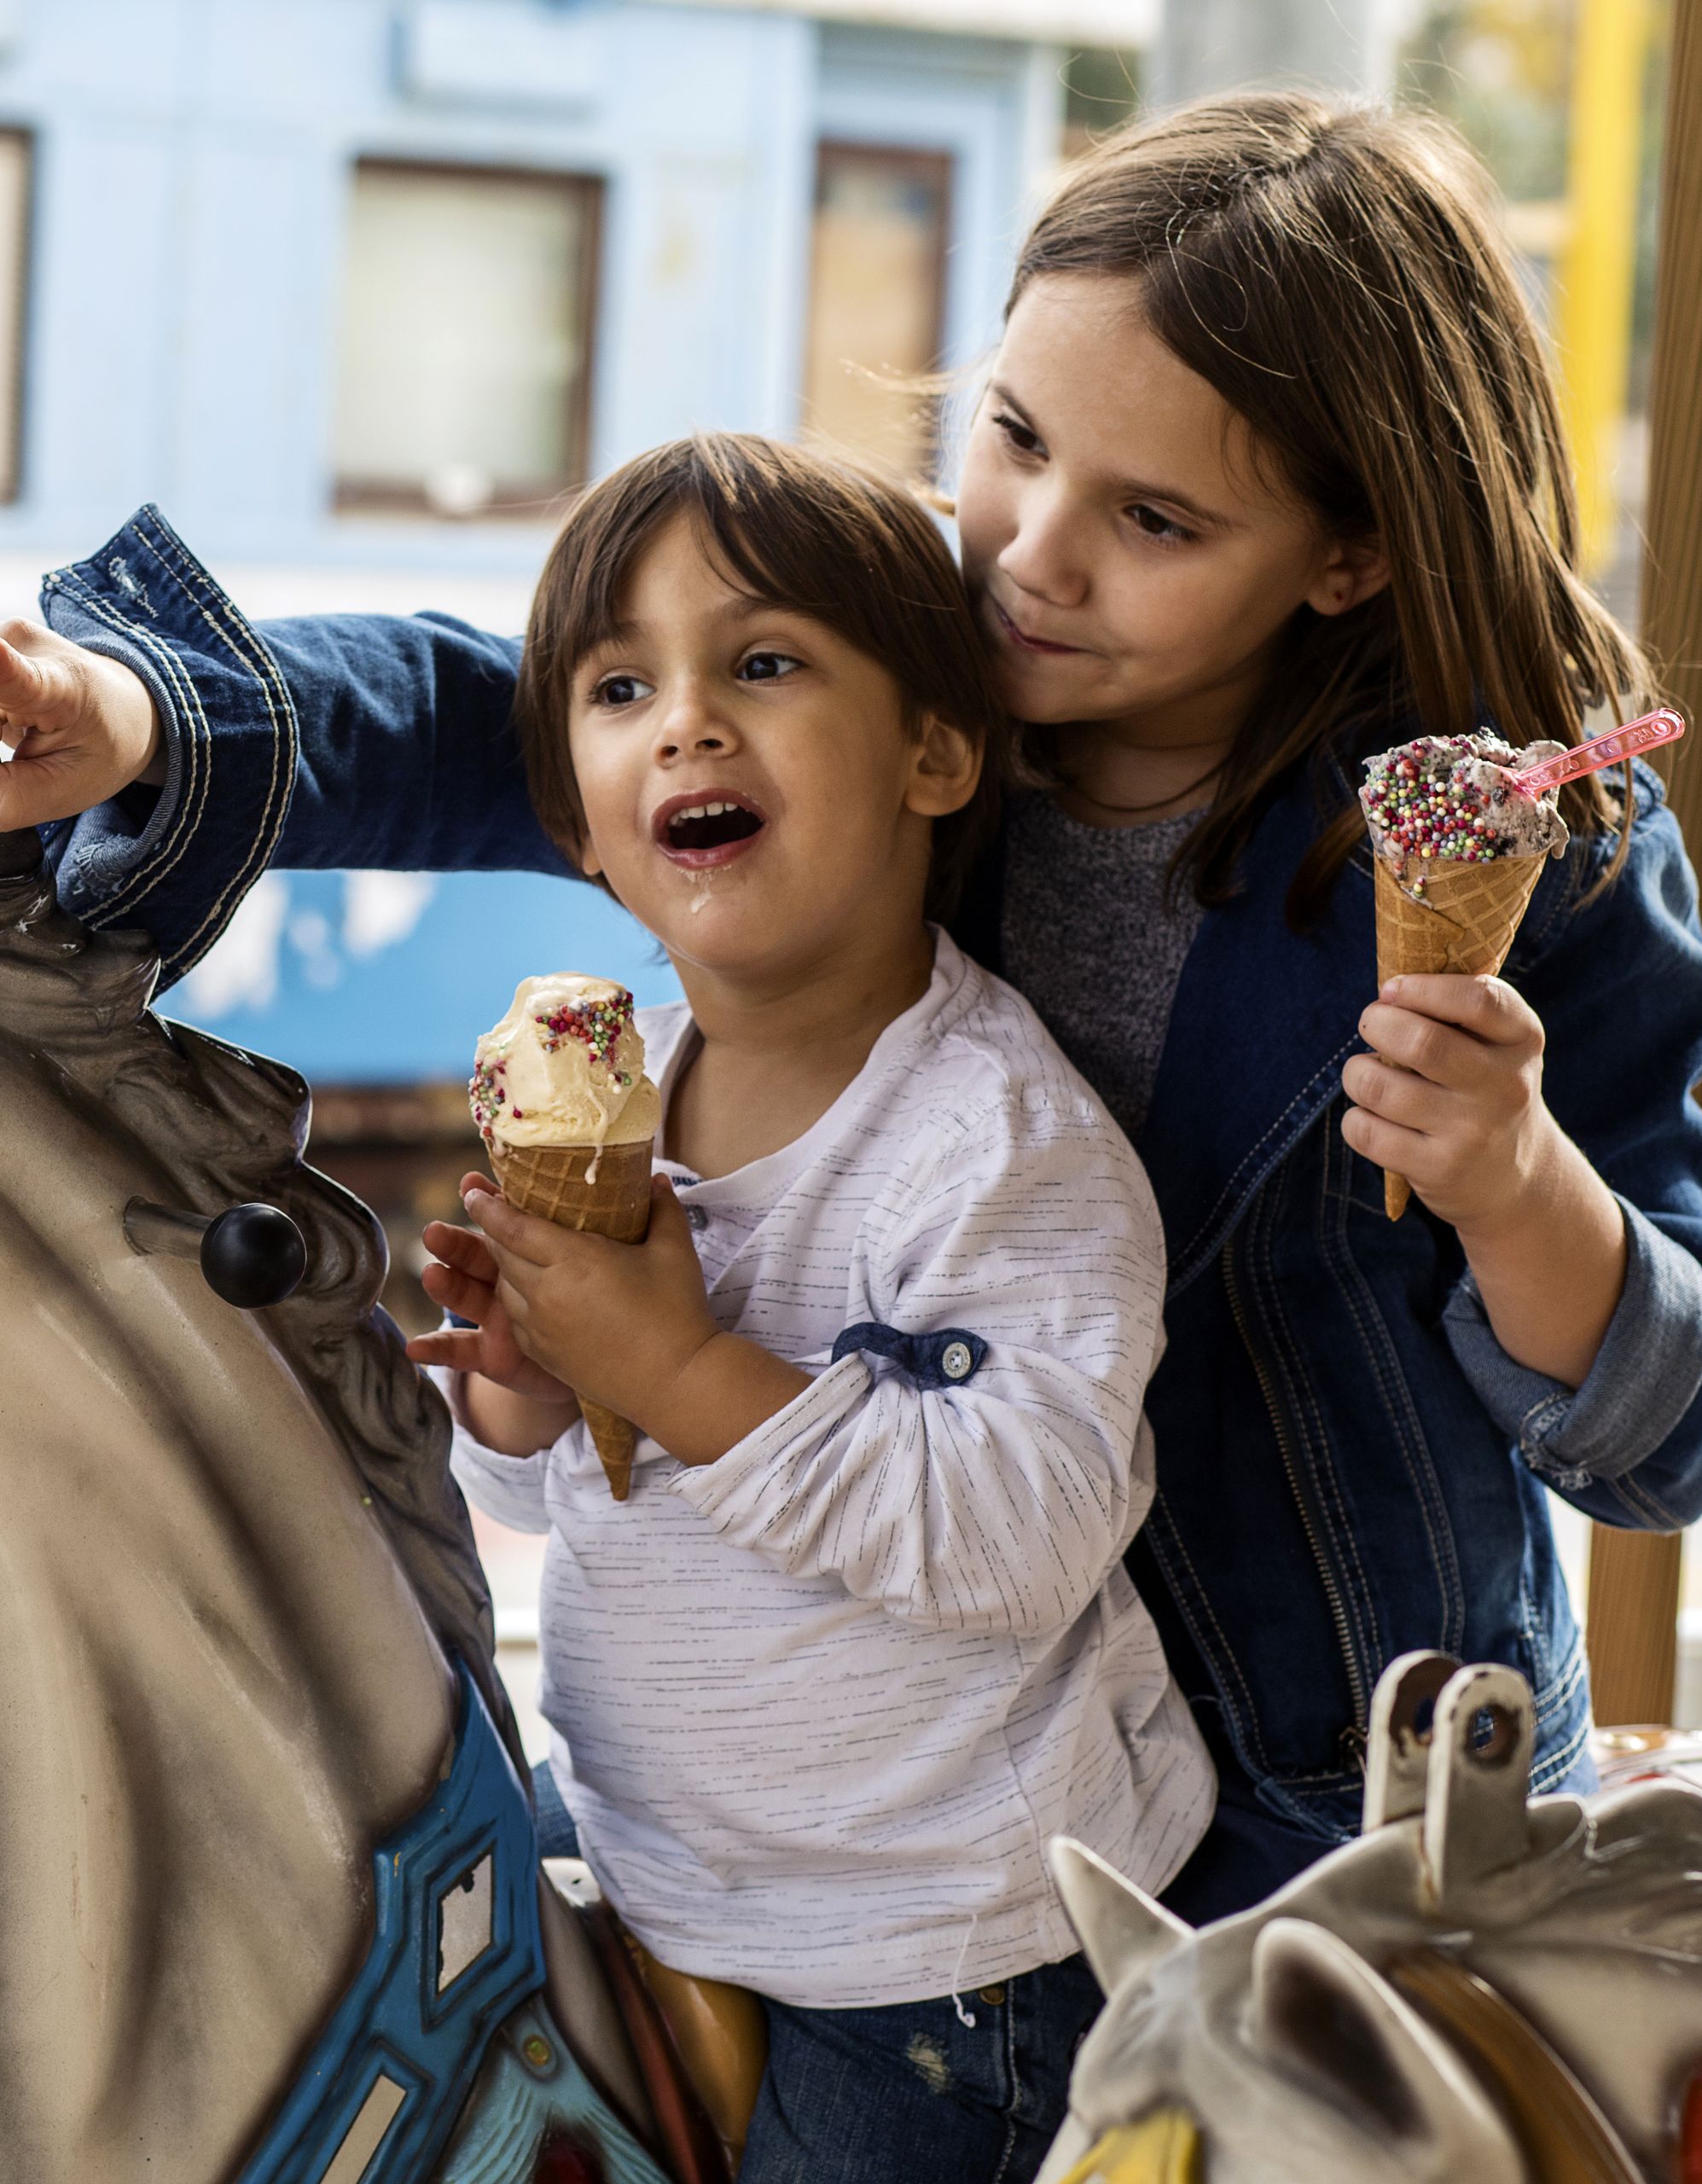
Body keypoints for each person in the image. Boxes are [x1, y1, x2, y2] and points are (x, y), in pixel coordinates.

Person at [0, 91, 1702, 1928]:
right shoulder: (904, 689)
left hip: (1326, 1825)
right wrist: (139, 711)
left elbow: (1671, 1437)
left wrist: (1521, 1188)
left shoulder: (1544, 857)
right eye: (1016, 437)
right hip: (863, 1795)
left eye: (1156, 520)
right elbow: (508, 705)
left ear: (1348, 552)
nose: (1032, 548)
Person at [398, 430, 1205, 2181]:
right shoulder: (625, 1095)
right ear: (582, 819)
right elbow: (598, 1491)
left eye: (762, 663)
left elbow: (1018, 1536)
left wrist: (676, 1360)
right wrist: (541, 1402)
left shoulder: (997, 1141)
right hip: (655, 1863)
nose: (688, 718)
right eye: (625, 686)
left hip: (931, 1960)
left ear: (933, 748)